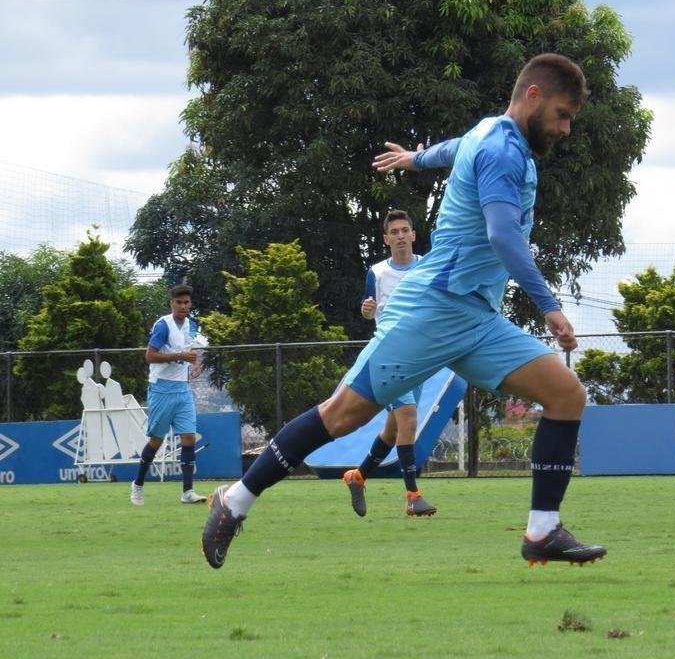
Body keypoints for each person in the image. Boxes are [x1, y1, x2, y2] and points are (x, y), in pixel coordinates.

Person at [202, 53, 606, 569]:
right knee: (344, 415)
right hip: (433, 311)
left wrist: (413, 159)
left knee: (566, 394)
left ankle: (543, 531)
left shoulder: (490, 134)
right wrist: (549, 307)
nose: (566, 128)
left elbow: (452, 150)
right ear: (533, 96)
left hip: (477, 320)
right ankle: (233, 501)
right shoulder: (503, 151)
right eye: (563, 114)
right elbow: (501, 234)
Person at [343, 210, 436, 518]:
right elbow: (368, 312)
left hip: (420, 357)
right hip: (390, 355)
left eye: (404, 230)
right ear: (386, 239)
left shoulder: (427, 266)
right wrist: (367, 311)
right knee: (408, 419)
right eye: (393, 231)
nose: (399, 235)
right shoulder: (378, 272)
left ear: (413, 235)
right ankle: (413, 495)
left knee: (393, 428)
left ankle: (357, 477)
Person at [131, 284, 207, 506]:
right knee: (156, 440)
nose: (183, 306)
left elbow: (190, 350)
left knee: (189, 437)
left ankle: (187, 491)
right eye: (179, 302)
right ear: (171, 303)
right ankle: (137, 485)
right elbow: (149, 356)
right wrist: (180, 356)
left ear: (190, 304)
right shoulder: (163, 326)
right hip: (161, 388)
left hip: (182, 388)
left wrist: (196, 363)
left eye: (186, 303)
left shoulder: (191, 325)